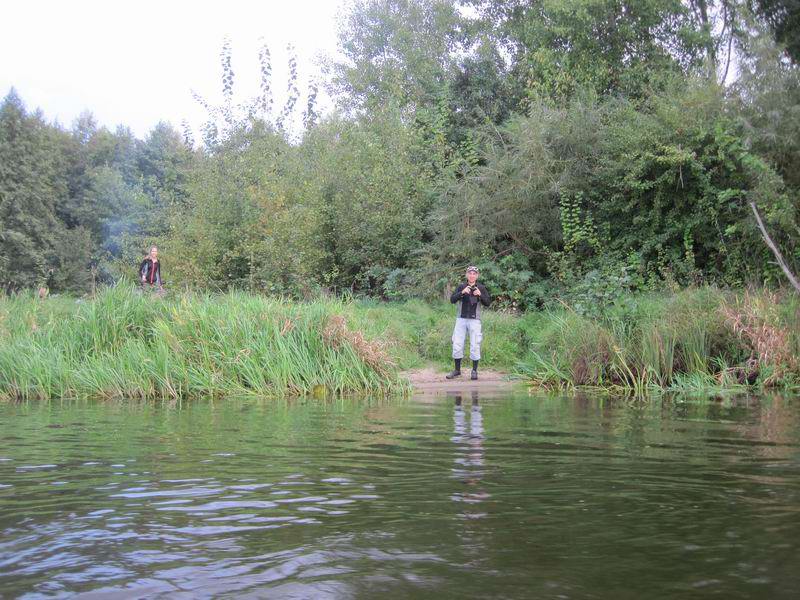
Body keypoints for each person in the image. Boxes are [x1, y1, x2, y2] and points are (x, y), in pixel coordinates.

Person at [446, 265, 491, 380]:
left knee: (475, 344)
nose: (472, 275)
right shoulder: (462, 286)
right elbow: (452, 300)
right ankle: (457, 370)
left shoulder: (481, 287)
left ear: (477, 275)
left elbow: (487, 303)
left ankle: (474, 371)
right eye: (470, 273)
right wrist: (462, 292)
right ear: (467, 275)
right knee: (457, 343)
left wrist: (480, 294)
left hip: (475, 320)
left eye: (474, 274)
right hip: (461, 319)